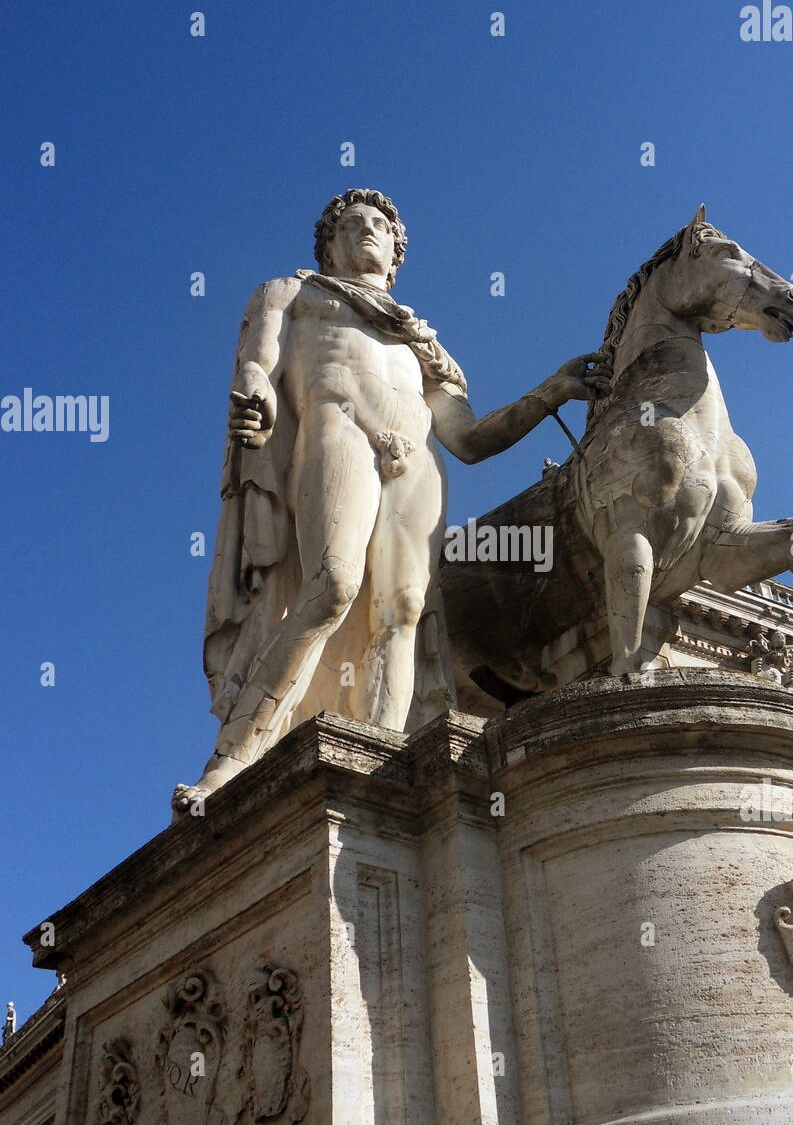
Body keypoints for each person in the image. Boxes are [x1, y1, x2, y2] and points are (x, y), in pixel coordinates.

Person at [174, 189, 610, 811]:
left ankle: (383, 763)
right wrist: (254, 399)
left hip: (418, 465)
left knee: (403, 610)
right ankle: (235, 757)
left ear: (397, 255)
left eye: (380, 225)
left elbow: (468, 439)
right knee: (332, 586)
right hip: (339, 425)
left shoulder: (422, 344)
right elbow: (257, 364)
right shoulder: (292, 293)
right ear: (330, 243)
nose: (369, 232)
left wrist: (551, 391)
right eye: (354, 225)